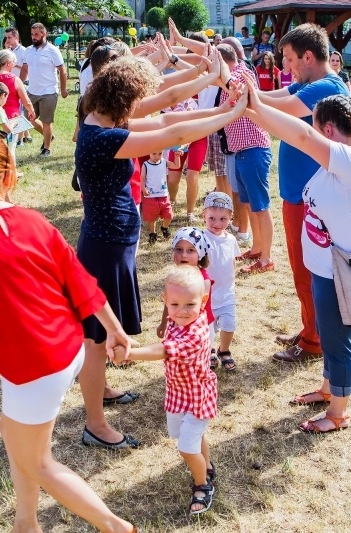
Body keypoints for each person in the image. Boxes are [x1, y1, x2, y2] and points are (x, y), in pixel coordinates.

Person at [0, 130, 138, 533]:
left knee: (37, 461)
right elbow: (80, 280)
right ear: (10, 176)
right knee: (13, 431)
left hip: (34, 363)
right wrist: (114, 328)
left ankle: (115, 527)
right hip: (64, 345)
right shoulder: (34, 221)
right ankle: (26, 522)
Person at [75, 55, 246, 450]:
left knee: (100, 336)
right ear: (123, 100)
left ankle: (100, 391)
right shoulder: (105, 137)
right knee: (97, 337)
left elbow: (168, 109)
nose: (143, 106)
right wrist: (231, 111)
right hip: (104, 247)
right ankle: (96, 425)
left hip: (110, 243)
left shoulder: (100, 120)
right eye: (137, 100)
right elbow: (173, 133)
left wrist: (219, 98)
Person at [245, 85, 351, 433]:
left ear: (329, 131)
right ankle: (327, 390)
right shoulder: (338, 161)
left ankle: (338, 414)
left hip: (340, 273)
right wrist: (248, 109)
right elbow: (297, 130)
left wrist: (256, 102)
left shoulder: (350, 162)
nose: (311, 132)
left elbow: (301, 135)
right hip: (324, 269)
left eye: (316, 126)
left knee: (337, 343)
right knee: (330, 335)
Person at [257, 23, 349, 362]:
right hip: (303, 196)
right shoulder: (312, 84)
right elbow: (273, 98)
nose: (285, 67)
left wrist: (243, 96)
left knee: (307, 270)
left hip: (310, 200)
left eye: (290, 59)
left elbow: (280, 109)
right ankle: (312, 328)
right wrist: (239, 88)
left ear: (308, 56)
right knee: (303, 268)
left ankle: (313, 341)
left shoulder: (324, 87)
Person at [112, 266, 218, 515]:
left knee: (186, 446)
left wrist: (131, 353)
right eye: (175, 304)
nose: (182, 311)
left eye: (190, 304)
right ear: (165, 301)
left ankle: (203, 485)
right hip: (179, 394)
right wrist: (131, 344)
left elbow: (165, 350)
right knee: (193, 436)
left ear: (203, 301)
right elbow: (164, 342)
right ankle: (207, 466)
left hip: (197, 397)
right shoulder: (176, 319)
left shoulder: (197, 332)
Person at [218, 45, 275, 275]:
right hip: (242, 150)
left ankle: (267, 257)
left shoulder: (240, 75)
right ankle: (258, 248)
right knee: (251, 204)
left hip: (253, 149)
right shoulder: (233, 76)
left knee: (260, 206)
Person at [202, 192, 239, 371]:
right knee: (207, 330)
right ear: (204, 216)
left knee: (230, 324)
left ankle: (224, 350)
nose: (217, 223)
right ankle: (208, 351)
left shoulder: (231, 239)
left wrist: (232, 280)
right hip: (206, 296)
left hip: (227, 293)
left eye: (223, 219)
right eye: (212, 218)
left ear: (231, 217)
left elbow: (232, 260)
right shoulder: (201, 238)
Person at [157, 228, 213, 343]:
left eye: (190, 250)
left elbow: (200, 308)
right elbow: (169, 302)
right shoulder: (175, 276)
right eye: (179, 249)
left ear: (200, 254)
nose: (184, 255)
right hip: (177, 323)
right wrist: (163, 323)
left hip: (196, 330)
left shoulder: (203, 279)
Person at [20, 22, 68, 157]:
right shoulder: (28, 50)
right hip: (32, 91)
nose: (33, 37)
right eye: (32, 34)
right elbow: (24, 68)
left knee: (47, 121)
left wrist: (63, 89)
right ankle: (49, 136)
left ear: (44, 34)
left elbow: (62, 71)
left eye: (36, 34)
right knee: (28, 119)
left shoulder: (52, 50)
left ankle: (46, 148)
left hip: (49, 92)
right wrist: (19, 84)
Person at [0, 50, 36, 147]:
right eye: (13, 63)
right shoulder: (14, 79)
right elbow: (27, 102)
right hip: (10, 119)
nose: (14, 65)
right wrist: (31, 111)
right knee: (10, 148)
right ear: (8, 63)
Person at [4, 26, 33, 145]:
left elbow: (29, 68)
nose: (7, 40)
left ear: (16, 37)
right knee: (15, 112)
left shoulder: (24, 51)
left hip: (22, 84)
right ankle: (25, 136)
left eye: (9, 37)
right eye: (6, 38)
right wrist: (6, 49)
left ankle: (20, 139)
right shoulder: (8, 51)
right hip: (10, 85)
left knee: (19, 113)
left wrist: (15, 65)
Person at [141, 150, 176, 244]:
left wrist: (177, 156)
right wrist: (144, 189)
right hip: (151, 197)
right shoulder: (145, 165)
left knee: (169, 215)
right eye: (154, 153)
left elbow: (176, 166)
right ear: (149, 153)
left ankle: (164, 227)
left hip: (164, 195)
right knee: (152, 218)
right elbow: (143, 178)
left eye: (160, 153)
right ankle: (152, 234)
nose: (157, 156)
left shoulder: (164, 162)